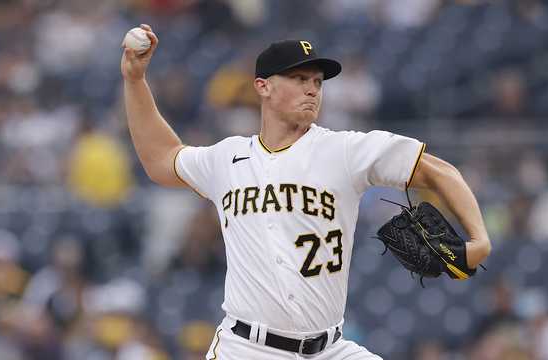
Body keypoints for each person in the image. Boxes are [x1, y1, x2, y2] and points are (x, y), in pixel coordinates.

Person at [121, 24, 492, 359]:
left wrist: (480, 240)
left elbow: (440, 171)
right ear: (263, 87)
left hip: (330, 349)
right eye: (299, 78)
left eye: (317, 81)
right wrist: (135, 81)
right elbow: (161, 158)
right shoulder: (227, 158)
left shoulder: (344, 150)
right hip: (247, 349)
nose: (312, 89)